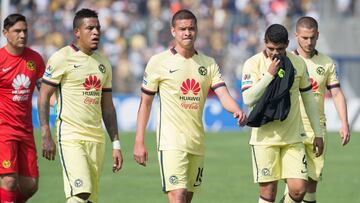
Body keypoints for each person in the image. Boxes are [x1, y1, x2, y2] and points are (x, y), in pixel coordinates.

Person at [133, 9, 247, 203]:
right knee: (177, 196)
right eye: (182, 29)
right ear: (173, 31)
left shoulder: (208, 64)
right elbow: (145, 103)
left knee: (186, 198)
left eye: (191, 28)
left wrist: (236, 110)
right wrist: (139, 141)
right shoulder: (158, 62)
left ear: (197, 30)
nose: (187, 33)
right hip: (170, 143)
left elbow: (222, 94)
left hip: (196, 142)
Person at [37, 8, 123, 203]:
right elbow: (43, 96)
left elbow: (108, 107)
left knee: (90, 198)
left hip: (96, 138)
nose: (96, 32)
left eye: (98, 28)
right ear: (77, 32)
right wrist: (45, 133)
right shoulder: (61, 58)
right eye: (90, 28)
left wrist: (116, 144)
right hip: (70, 135)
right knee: (81, 192)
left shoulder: (103, 64)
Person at [241, 24, 324, 203]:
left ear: (287, 44)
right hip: (264, 139)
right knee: (268, 193)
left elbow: (309, 100)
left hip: (292, 138)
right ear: (265, 43)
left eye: (280, 48)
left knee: (298, 190)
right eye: (270, 48)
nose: (275, 53)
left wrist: (318, 134)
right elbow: (248, 99)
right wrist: (269, 76)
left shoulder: (298, 63)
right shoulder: (253, 63)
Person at [292, 16, 350, 203]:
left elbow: (337, 94)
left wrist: (344, 123)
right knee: (296, 187)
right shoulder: (288, 61)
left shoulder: (327, 63)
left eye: (312, 38)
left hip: (318, 130)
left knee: (311, 184)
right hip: (292, 129)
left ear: (318, 36)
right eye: (304, 38)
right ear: (296, 36)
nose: (309, 42)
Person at [0, 14, 45, 203]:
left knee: (30, 185)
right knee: (9, 180)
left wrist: (60, 104)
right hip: (3, 128)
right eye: (17, 31)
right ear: (5, 33)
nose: (22, 35)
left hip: (26, 129)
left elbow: (44, 92)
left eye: (25, 31)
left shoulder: (35, 59)